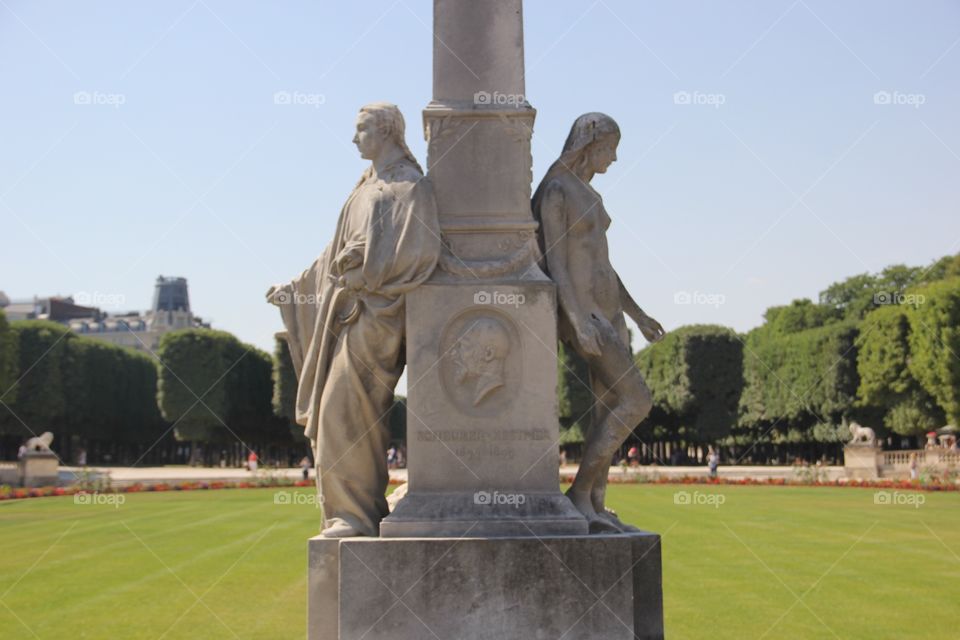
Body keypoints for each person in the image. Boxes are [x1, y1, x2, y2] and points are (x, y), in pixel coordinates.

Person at [267, 103, 440, 538]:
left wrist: (366, 272)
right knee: (337, 414)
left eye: (361, 129)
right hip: (346, 314)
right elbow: (332, 253)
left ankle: (355, 516)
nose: (354, 138)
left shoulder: (410, 186)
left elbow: (419, 253)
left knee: (344, 410)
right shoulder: (366, 187)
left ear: (385, 131)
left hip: (375, 315)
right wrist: (296, 287)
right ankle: (351, 512)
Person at [533, 113, 665, 533]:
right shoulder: (556, 188)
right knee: (637, 400)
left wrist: (637, 313)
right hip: (586, 313)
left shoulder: (586, 191)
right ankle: (579, 492)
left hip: (607, 313)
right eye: (611, 146)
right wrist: (575, 317)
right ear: (590, 143)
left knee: (606, 408)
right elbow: (556, 261)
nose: (615, 156)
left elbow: (603, 264)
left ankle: (594, 504)